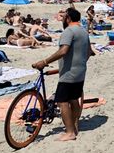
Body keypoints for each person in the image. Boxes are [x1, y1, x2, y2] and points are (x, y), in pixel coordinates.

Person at [32, 8, 91, 142]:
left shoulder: (68, 31)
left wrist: (44, 61)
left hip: (69, 73)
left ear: (68, 18)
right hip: (80, 71)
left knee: (62, 101)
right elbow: (88, 52)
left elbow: (63, 50)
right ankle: (75, 126)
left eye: (64, 17)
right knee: (74, 99)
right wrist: (79, 64)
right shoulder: (84, 31)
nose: (62, 19)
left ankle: (70, 132)